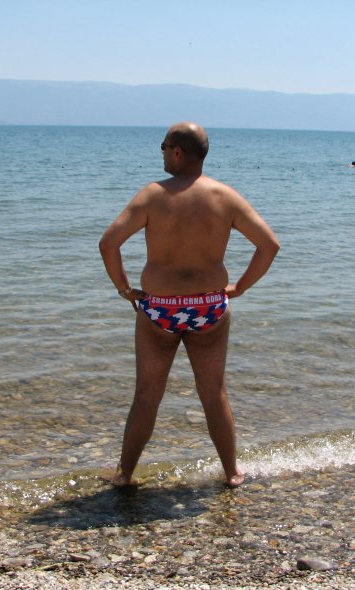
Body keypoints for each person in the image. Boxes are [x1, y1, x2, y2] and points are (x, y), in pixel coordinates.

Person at [99, 122, 280, 488]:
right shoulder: (225, 197)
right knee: (214, 393)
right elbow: (269, 245)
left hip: (160, 309)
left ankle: (124, 475)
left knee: (147, 395)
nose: (163, 153)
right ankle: (232, 473)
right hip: (209, 307)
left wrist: (125, 289)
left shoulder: (153, 195)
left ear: (178, 152)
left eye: (164, 147)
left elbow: (108, 244)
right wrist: (240, 287)